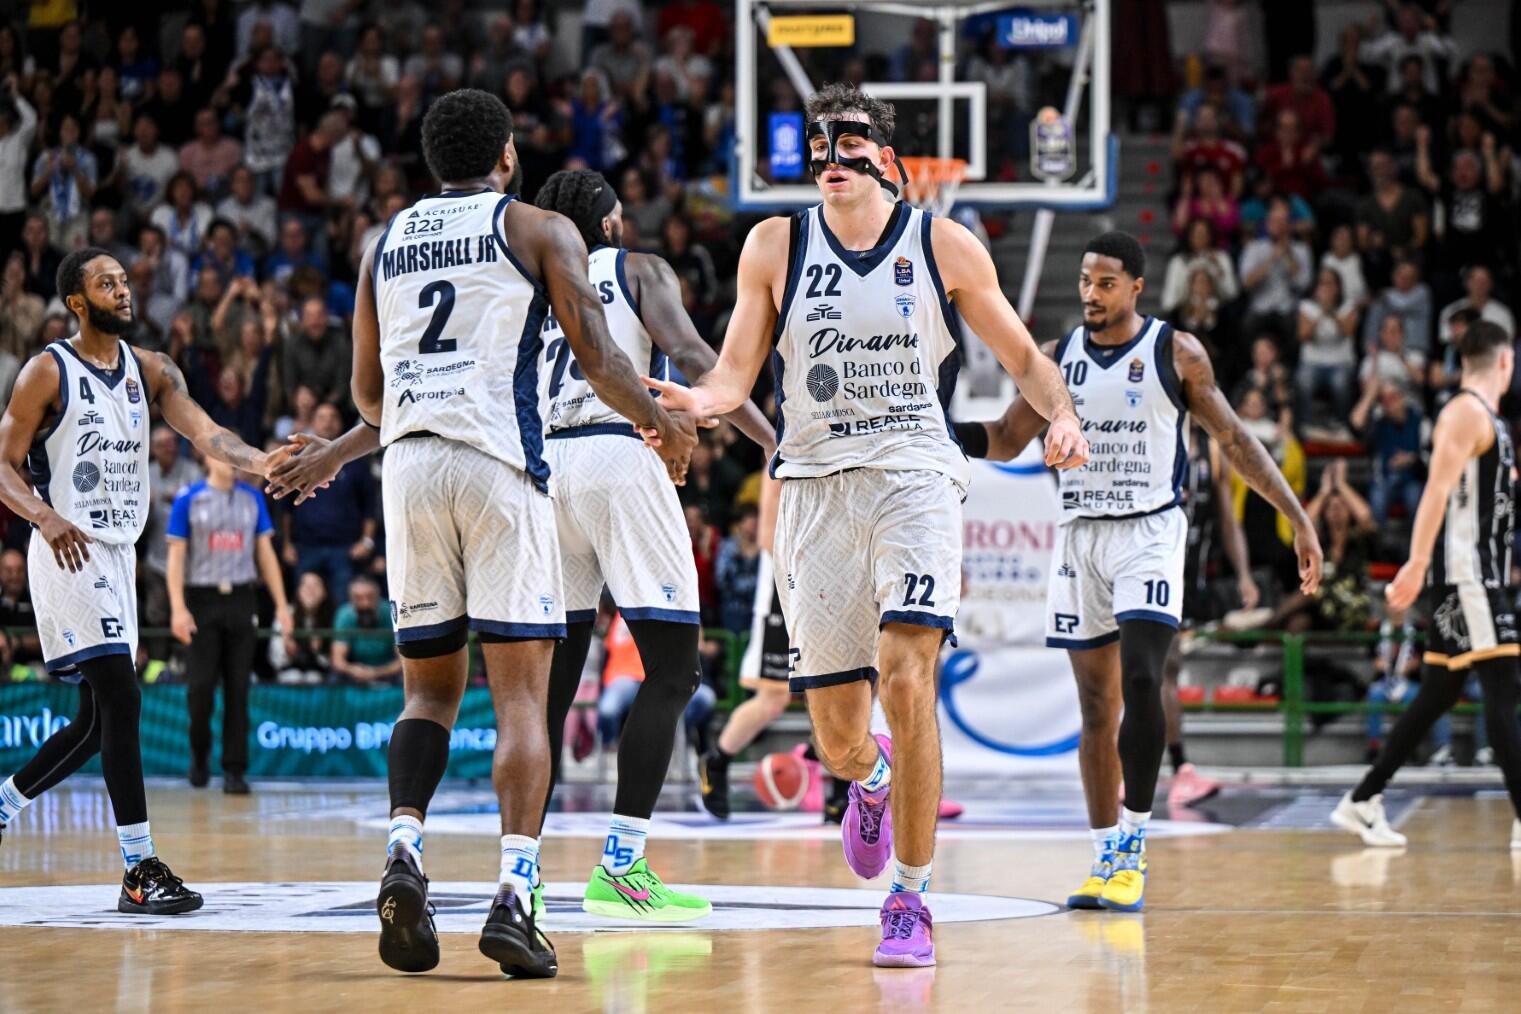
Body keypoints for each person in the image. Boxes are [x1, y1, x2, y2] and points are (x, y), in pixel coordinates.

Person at [646, 82, 1087, 968]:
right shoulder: (774, 244)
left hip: (916, 475)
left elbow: (1023, 357)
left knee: (907, 677)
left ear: (885, 160)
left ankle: (910, 899)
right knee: (837, 736)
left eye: (847, 143)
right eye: (818, 144)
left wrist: (1064, 415)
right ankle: (871, 777)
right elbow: (733, 375)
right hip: (813, 488)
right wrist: (696, 401)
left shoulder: (941, 243)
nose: (829, 158)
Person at [268, 89, 696, 978]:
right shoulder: (537, 228)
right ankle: (514, 896)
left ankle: (404, 849)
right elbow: (601, 360)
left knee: (426, 694)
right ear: (506, 155)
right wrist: (665, 426)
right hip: (500, 469)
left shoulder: (383, 242)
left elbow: (369, 396)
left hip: (409, 472)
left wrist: (337, 454)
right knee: (520, 701)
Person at [962, 231, 1323, 914]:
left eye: (1105, 283)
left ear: (1135, 287)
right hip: (1080, 535)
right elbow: (1007, 439)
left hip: (1149, 533)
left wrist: (1298, 518)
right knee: (1095, 707)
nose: (1090, 294)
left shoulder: (1175, 352)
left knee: (1141, 679)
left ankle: (1132, 842)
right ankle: (1103, 853)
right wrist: (939, 433)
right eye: (1084, 281)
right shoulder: (1055, 359)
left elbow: (1234, 440)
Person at [0, 246, 287, 914]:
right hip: (68, 548)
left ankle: (4, 804)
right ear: (77, 301)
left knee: (97, 722)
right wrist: (43, 516)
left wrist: (262, 462)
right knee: (122, 698)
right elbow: (3, 463)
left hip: (120, 555)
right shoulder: (47, 370)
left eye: (125, 281)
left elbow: (207, 433)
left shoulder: (151, 368)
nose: (123, 291)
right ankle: (139, 868)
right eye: (107, 284)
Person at [530, 168, 774, 922]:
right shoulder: (637, 268)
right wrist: (772, 440)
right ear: (609, 223)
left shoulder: (531, 284)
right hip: (617, 454)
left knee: (549, 688)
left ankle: (521, 871)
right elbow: (695, 355)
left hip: (544, 470)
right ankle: (622, 867)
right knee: (673, 669)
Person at [1332, 321, 1521, 850]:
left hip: (1472, 573)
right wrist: (1415, 564)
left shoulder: (1488, 419)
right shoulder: (1465, 412)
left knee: (1441, 690)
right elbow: (1435, 491)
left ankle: (1363, 798)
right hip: (1467, 575)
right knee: (1503, 685)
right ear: (1503, 361)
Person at [166, 454, 292, 794]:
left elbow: (265, 553)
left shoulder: (252, 498)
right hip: (201, 598)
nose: (232, 461)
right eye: (223, 454)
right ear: (206, 458)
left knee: (239, 688)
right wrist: (177, 608)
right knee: (201, 689)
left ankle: (235, 769)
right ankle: (199, 755)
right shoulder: (188, 499)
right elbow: (176, 557)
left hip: (241, 597)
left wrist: (282, 606)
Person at [330, 575, 401, 684]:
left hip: (387, 672)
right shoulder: (344, 615)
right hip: (355, 673)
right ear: (351, 600)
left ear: (378, 596)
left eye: (370, 597)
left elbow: (402, 660)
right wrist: (352, 670)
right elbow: (337, 661)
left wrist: (376, 672)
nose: (365, 603)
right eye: (359, 598)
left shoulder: (391, 613)